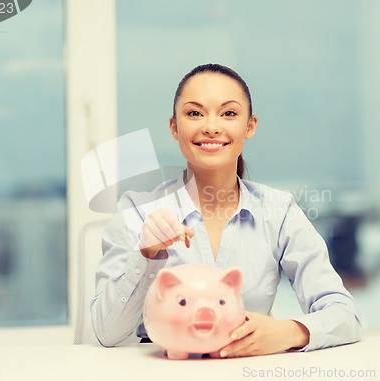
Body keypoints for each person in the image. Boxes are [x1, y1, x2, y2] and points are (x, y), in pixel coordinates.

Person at [91, 63, 361, 357]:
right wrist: (146, 255)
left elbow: (344, 314)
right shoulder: (137, 211)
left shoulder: (279, 212)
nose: (211, 126)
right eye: (194, 113)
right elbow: (106, 333)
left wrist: (289, 332)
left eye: (229, 113)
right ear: (174, 127)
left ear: (250, 126)